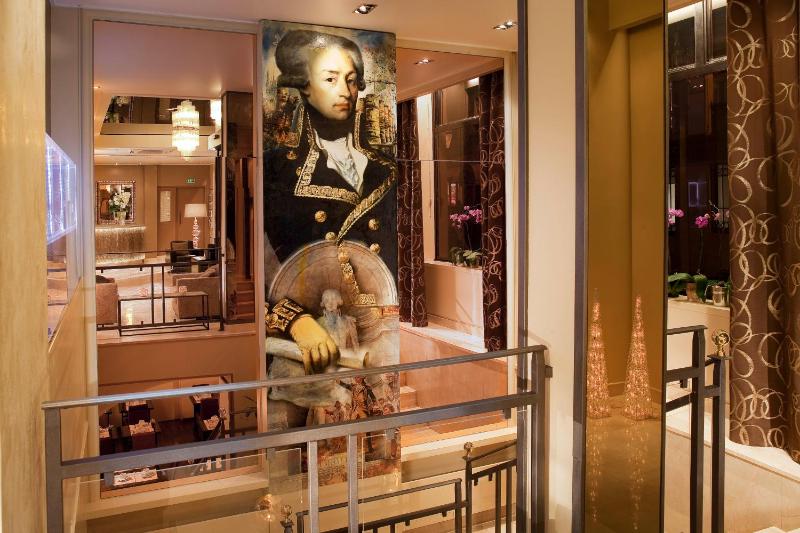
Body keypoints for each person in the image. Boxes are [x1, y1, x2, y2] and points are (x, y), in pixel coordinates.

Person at [263, 29, 398, 376]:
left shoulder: (386, 168)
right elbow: (257, 262)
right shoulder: (276, 169)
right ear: (305, 86)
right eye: (331, 79)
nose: (344, 91)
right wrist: (294, 320)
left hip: (380, 337)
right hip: (314, 345)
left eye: (351, 80)